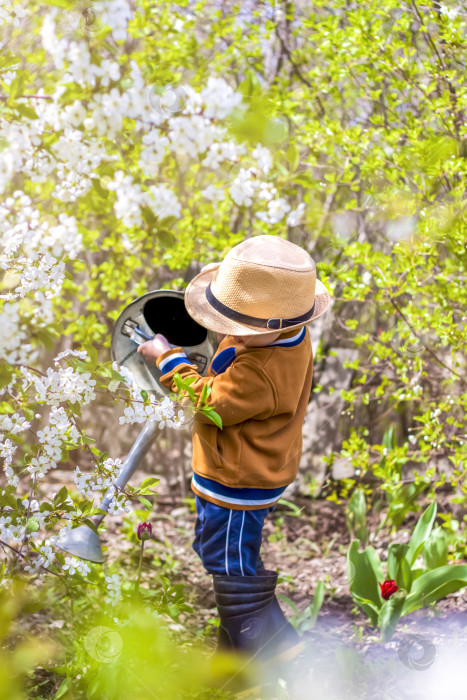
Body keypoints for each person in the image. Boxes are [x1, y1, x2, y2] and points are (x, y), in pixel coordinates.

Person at [137, 234, 331, 667]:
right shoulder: (279, 339)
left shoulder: (262, 370)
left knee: (230, 567)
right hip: (238, 471)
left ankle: (264, 654)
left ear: (270, 327)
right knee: (223, 555)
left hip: (238, 481)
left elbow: (208, 403)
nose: (226, 331)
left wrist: (167, 359)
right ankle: (250, 649)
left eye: (236, 325)